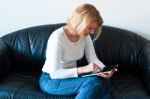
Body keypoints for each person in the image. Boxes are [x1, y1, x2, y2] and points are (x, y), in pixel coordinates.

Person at [39, 3, 115, 99]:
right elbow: (54, 74)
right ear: (79, 23)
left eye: (93, 29)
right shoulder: (57, 37)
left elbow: (93, 58)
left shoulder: (84, 35)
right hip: (50, 80)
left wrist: (104, 70)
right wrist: (83, 69)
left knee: (105, 80)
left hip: (71, 77)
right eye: (90, 28)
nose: (92, 32)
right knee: (93, 82)